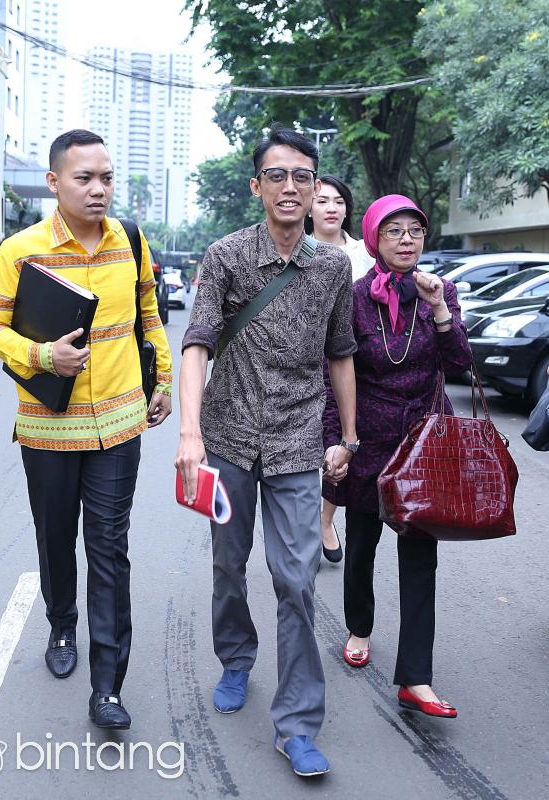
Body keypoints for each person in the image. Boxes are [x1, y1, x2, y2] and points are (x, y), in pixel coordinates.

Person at [176, 125, 358, 777]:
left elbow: (342, 353)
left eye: (302, 176)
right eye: (277, 175)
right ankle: (235, 659)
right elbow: (196, 342)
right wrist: (190, 433)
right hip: (226, 440)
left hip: (295, 443)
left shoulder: (334, 267)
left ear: (316, 190)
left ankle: (298, 723)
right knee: (229, 566)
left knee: (297, 581)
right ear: (257, 187)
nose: (290, 186)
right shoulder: (225, 256)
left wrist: (348, 436)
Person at [0, 129, 173, 729]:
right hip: (47, 426)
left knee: (110, 550)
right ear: (55, 182)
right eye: (84, 178)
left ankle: (107, 687)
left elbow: (149, 315)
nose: (98, 189)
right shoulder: (20, 249)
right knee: (56, 537)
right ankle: (63, 623)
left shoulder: (131, 242)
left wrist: (160, 378)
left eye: (106, 178)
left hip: (118, 423)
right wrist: (41, 357)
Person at [322, 194, 471, 717]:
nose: (407, 240)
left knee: (420, 558)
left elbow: (460, 362)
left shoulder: (442, 290)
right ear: (374, 241)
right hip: (369, 443)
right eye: (395, 232)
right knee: (362, 546)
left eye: (415, 231)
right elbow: (335, 375)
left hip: (425, 443)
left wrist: (439, 309)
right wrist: (336, 441)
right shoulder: (354, 296)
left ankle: (416, 678)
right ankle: (359, 626)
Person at [306, 175, 375, 563]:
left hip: (354, 364)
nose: (331, 208)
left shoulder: (364, 254)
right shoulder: (295, 251)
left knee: (344, 441)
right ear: (308, 207)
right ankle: (306, 521)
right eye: (322, 201)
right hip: (306, 363)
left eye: (338, 202)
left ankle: (325, 517)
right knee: (311, 442)